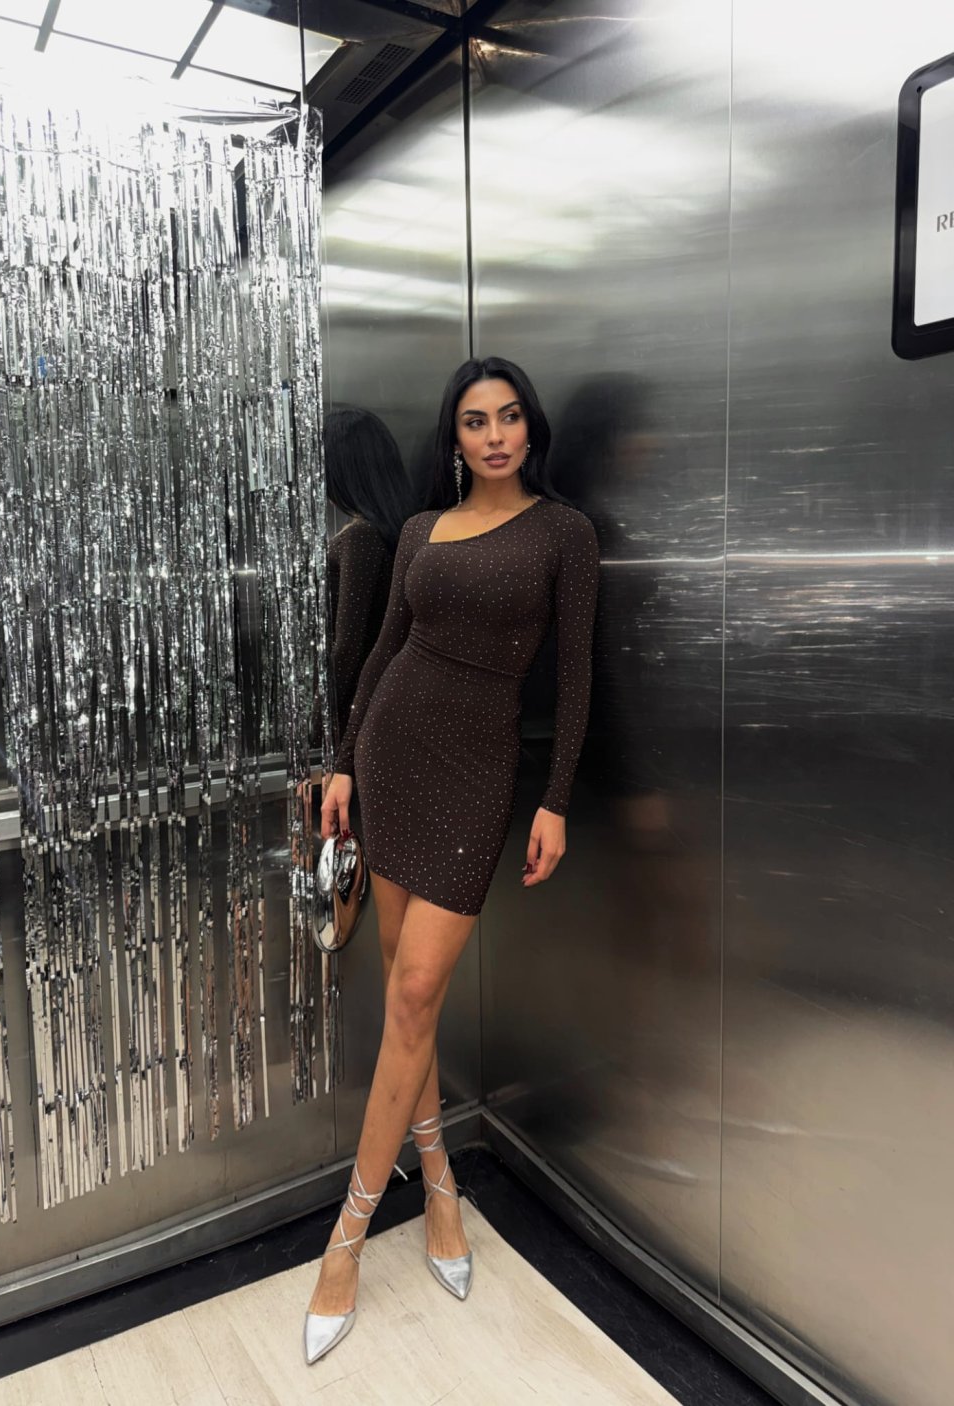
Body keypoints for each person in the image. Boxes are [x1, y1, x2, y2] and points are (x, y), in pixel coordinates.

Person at [304, 357, 600, 1364]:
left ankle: (344, 1243)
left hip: (476, 770)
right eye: (476, 421)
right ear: (455, 438)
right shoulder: (422, 530)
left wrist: (555, 798)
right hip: (395, 749)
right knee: (408, 997)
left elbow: (574, 677)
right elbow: (383, 651)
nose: (496, 434)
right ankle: (437, 1185)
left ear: (531, 427)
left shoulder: (563, 533)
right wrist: (345, 764)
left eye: (510, 416)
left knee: (416, 992)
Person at [324, 406, 411, 746]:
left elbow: (348, 645)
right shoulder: (391, 532)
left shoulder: (361, 536)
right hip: (381, 704)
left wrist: (315, 727)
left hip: (357, 714)